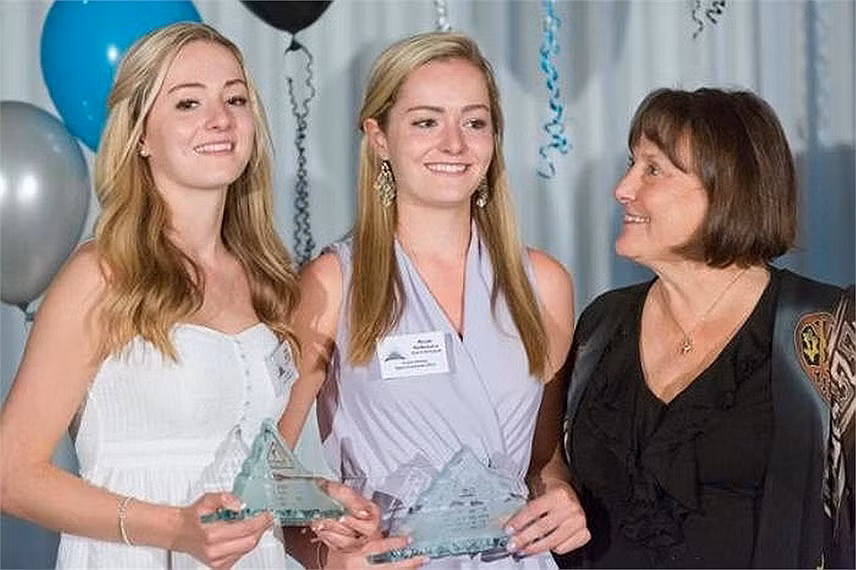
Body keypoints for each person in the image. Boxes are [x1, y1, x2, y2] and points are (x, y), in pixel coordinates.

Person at [0, 22, 375, 569]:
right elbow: (12, 474)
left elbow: (254, 469)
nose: (219, 119)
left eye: (235, 99)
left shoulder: (268, 280)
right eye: (187, 103)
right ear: (141, 136)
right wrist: (174, 528)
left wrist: (316, 500)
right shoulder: (102, 274)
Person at [277, 31, 591, 568]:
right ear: (379, 137)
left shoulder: (543, 283)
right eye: (426, 122)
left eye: (475, 122)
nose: (454, 144)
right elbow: (268, 478)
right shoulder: (332, 283)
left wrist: (560, 493)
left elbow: (544, 460)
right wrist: (329, 560)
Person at [559, 87, 855, 568]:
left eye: (653, 169)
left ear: (728, 189)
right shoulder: (602, 324)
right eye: (632, 164)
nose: (623, 188)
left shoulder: (827, 328)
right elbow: (554, 467)